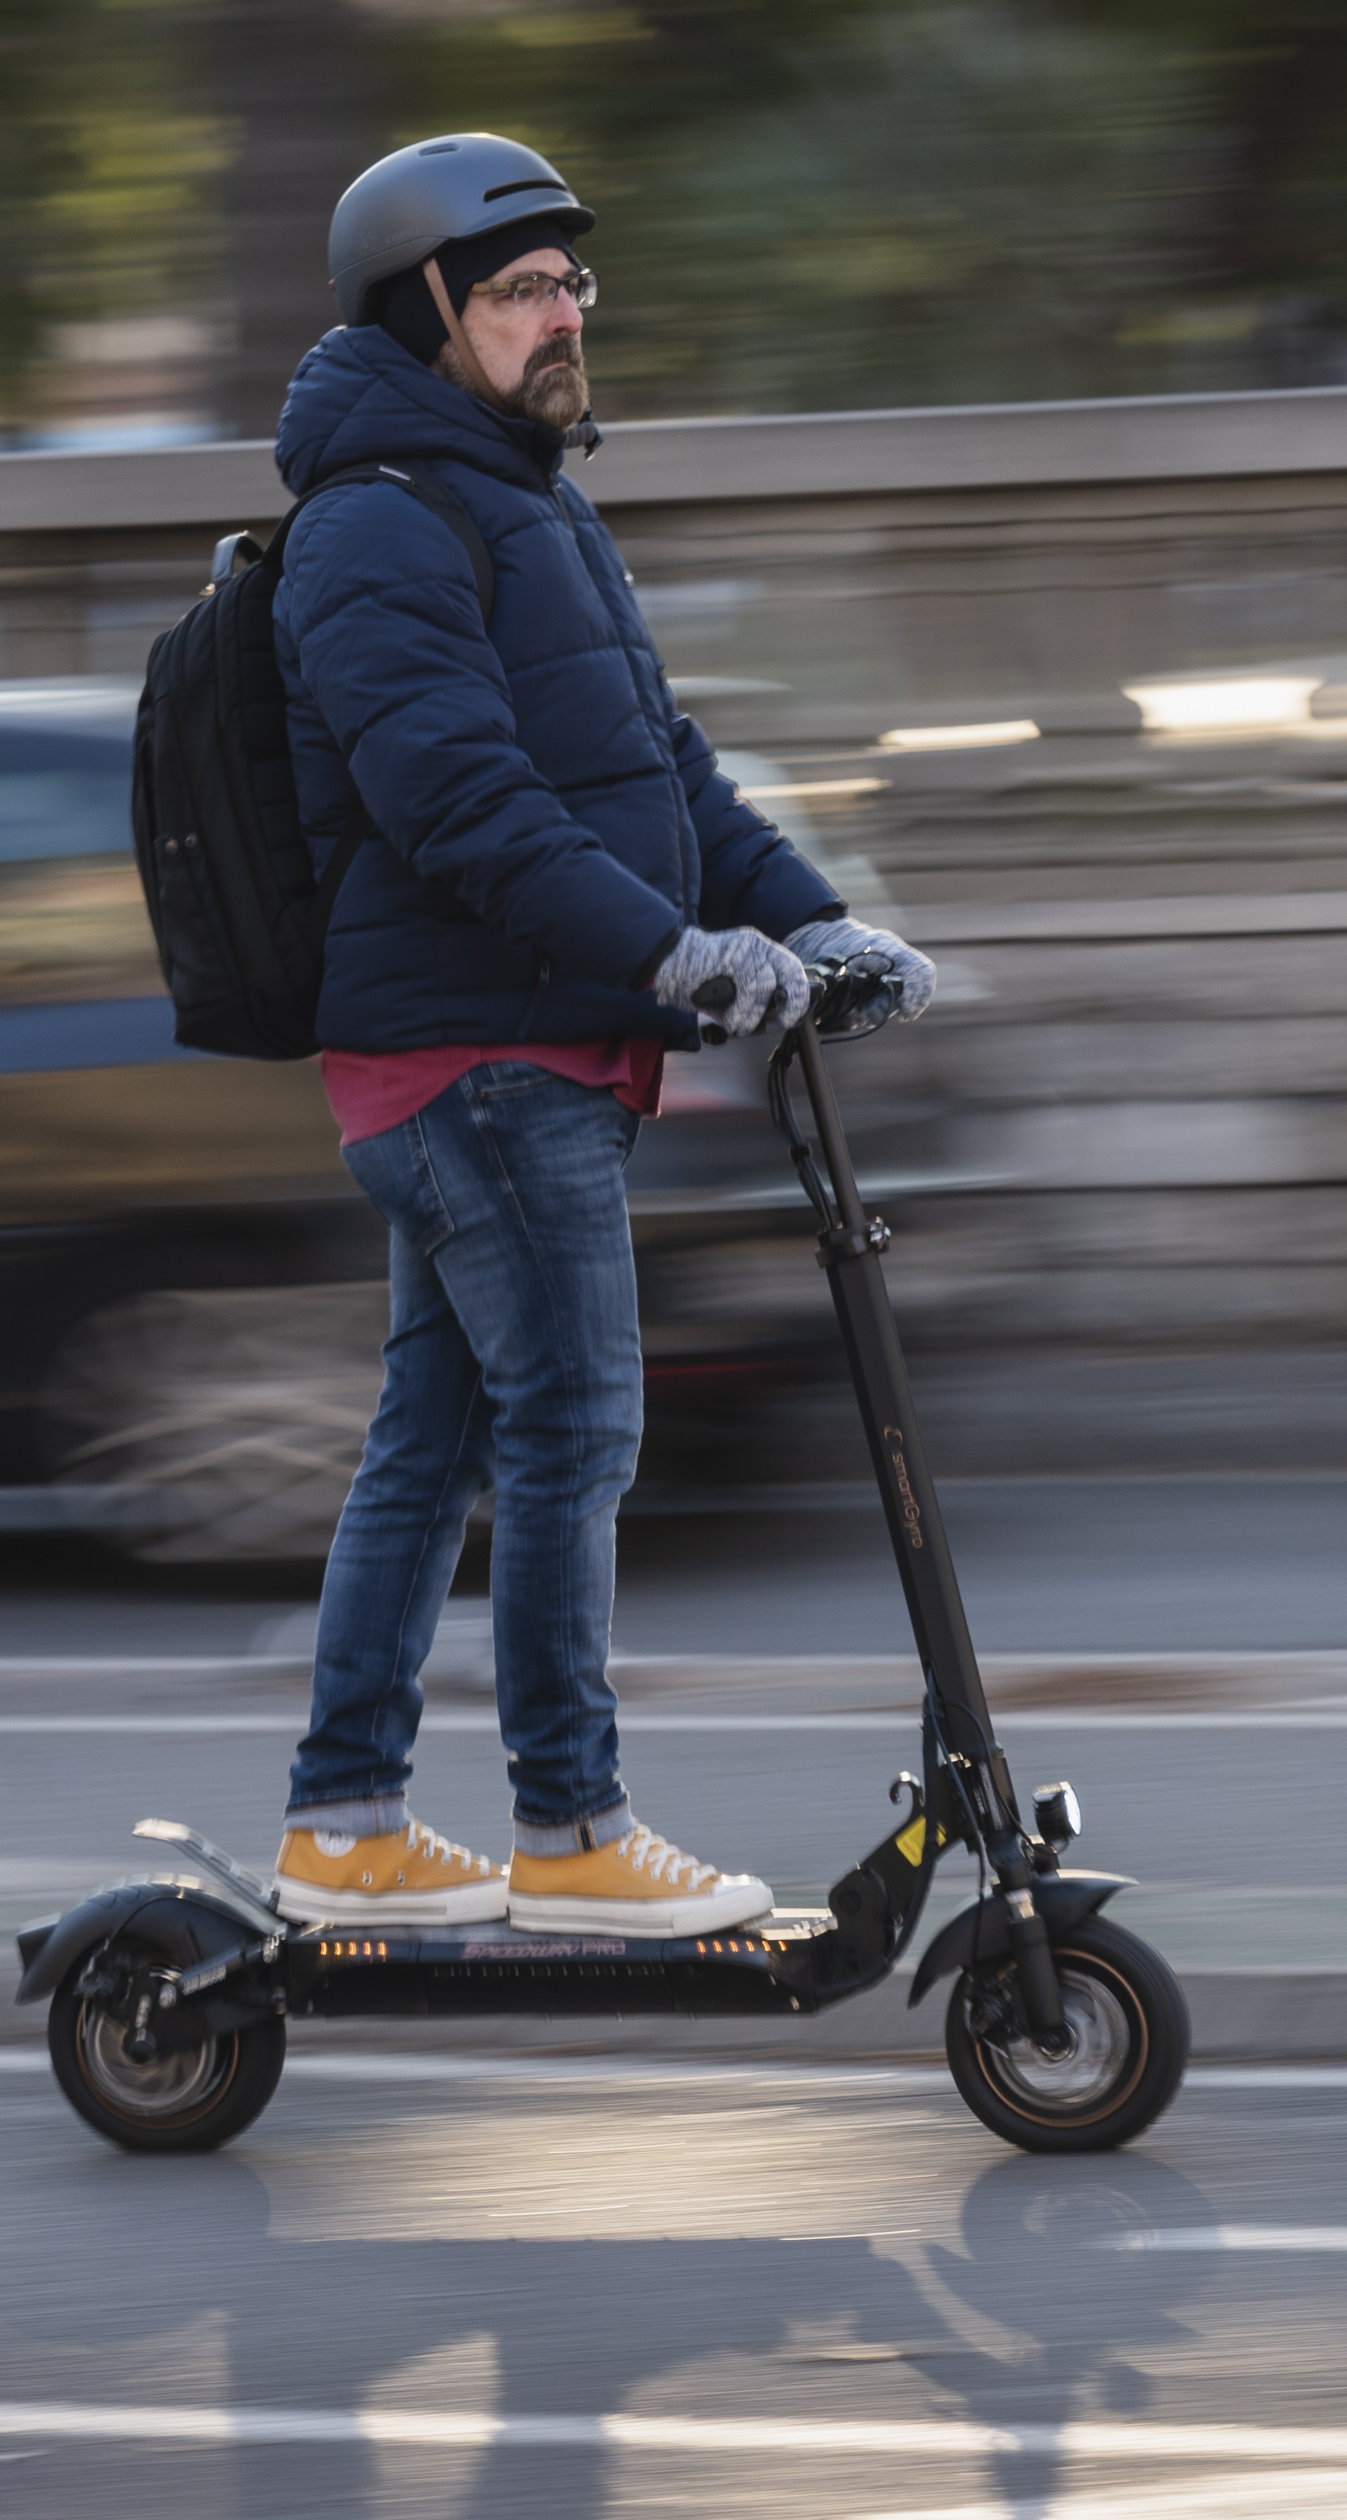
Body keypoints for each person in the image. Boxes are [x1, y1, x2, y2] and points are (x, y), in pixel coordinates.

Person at [267, 132, 937, 1936]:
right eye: (518, 290)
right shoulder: (374, 524)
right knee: (574, 1425)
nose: (564, 313)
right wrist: (675, 957)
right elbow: (460, 806)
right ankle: (570, 1827)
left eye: (572, 283)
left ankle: (345, 1823)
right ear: (424, 314)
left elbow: (664, 771)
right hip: (481, 1060)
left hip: (519, 1055)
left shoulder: (527, 500)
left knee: (440, 1433)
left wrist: (811, 919)